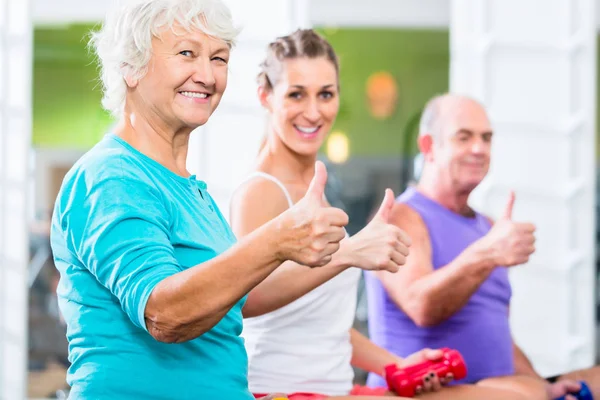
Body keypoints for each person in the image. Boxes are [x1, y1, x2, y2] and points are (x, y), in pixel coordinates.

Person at [49, 2, 351, 399]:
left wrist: (347, 253)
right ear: (130, 65)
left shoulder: (193, 192)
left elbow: (234, 304)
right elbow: (164, 314)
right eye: (186, 53)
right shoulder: (110, 176)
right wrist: (276, 240)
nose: (207, 75)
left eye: (219, 58)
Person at [229, 29, 547, 400]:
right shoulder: (263, 189)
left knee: (523, 391)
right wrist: (349, 253)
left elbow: (320, 325)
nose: (314, 111)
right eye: (296, 94)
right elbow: (244, 300)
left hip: (335, 389)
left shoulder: (313, 190)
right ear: (266, 96)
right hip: (281, 392)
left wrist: (396, 366)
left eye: (326, 94)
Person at [364, 93, 600, 400]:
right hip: (423, 392)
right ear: (428, 146)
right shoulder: (402, 216)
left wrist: (543, 385)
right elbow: (420, 305)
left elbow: (494, 334)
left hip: (499, 389)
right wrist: (486, 253)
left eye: (486, 138)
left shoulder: (488, 227)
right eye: (464, 137)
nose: (479, 148)